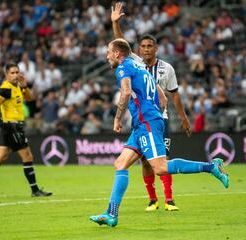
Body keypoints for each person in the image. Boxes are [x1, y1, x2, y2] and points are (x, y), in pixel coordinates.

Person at [89, 38, 229, 227]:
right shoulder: (139, 66)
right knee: (120, 164)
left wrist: (117, 118)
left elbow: (126, 91)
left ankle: (212, 167)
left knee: (161, 167)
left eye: (108, 51)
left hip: (147, 122)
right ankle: (111, 214)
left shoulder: (124, 67)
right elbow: (157, 89)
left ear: (117, 53)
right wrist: (160, 97)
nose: (106, 56)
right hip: (143, 124)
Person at [111, 2, 191, 211]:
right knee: (146, 162)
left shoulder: (166, 68)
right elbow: (121, 46)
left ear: (156, 49)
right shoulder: (136, 62)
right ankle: (153, 199)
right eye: (143, 47)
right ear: (138, 50)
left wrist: (182, 117)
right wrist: (116, 24)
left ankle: (169, 198)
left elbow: (174, 95)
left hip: (157, 118)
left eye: (149, 46)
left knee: (161, 160)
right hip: (141, 118)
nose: (146, 49)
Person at [0, 63, 52, 198]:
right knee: (28, 156)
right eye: (12, 73)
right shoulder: (5, 88)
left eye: (17, 72)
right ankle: (35, 190)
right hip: (11, 127)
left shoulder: (18, 87)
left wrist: (25, 85)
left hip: (14, 126)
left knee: (1, 157)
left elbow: (29, 98)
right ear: (6, 75)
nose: (15, 75)